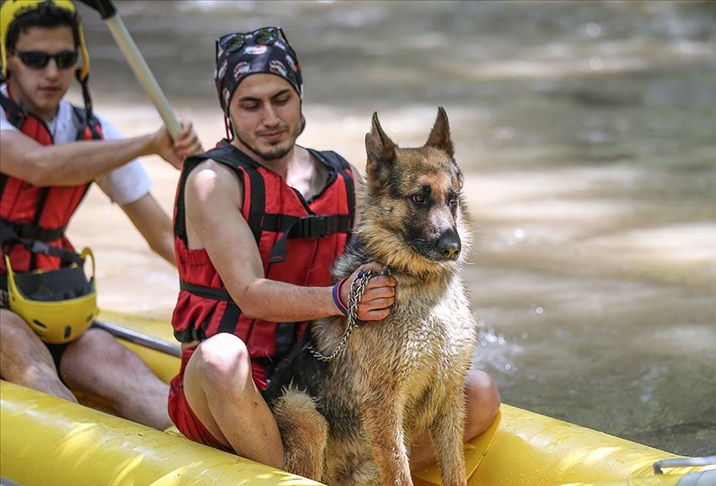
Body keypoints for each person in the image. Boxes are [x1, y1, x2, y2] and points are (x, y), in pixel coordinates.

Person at [168, 26, 500, 470]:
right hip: (232, 388)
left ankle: (356, 478)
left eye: (281, 99)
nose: (269, 117)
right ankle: (287, 476)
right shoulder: (211, 182)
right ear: (228, 110)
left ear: (300, 98)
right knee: (220, 357)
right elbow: (248, 292)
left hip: (321, 374)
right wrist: (338, 300)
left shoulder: (338, 175)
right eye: (250, 104)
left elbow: (381, 258)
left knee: (477, 393)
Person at [0, 0, 202, 430]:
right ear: (8, 60)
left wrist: (234, 292)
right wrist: (148, 144)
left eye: (64, 59)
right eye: (35, 60)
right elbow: (38, 165)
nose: (52, 73)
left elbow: (164, 238)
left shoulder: (95, 134)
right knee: (14, 341)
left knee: (108, 358)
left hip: (46, 295)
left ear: (81, 61)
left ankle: (196, 453)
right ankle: (73, 446)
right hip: (4, 315)